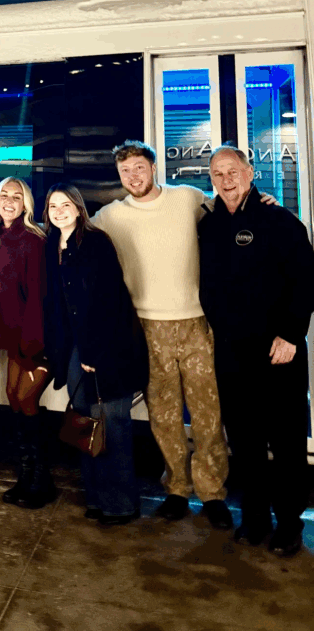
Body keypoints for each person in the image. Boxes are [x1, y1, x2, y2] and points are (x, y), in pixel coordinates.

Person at [91, 140, 233, 530]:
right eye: (125, 172)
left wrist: (265, 201)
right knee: (164, 415)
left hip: (195, 323)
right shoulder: (110, 216)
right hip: (146, 327)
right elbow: (74, 234)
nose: (132, 176)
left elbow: (231, 209)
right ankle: (177, 488)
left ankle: (213, 493)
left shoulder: (187, 199)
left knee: (207, 412)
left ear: (153, 168)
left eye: (139, 168)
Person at [199, 145, 314, 557]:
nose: (225, 180)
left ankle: (288, 523)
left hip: (277, 351)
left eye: (233, 171)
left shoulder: (279, 219)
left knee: (285, 442)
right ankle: (255, 517)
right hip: (231, 352)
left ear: (250, 173)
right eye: (217, 173)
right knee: (245, 441)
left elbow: (305, 281)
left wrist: (289, 334)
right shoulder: (208, 224)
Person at [43, 184, 149, 525]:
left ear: (78, 208)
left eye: (65, 205)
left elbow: (111, 301)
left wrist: (95, 351)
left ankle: (121, 505)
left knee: (112, 423)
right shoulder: (51, 245)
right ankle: (96, 497)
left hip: (107, 347)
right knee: (85, 423)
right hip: (74, 349)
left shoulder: (96, 242)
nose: (59, 211)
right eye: (53, 206)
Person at [0, 177, 55, 509]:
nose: (9, 200)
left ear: (26, 203)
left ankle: (42, 481)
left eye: (17, 196)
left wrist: (35, 350)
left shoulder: (33, 239)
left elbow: (39, 298)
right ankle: (26, 477)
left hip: (36, 340)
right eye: (4, 195)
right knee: (13, 396)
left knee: (26, 399)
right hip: (12, 340)